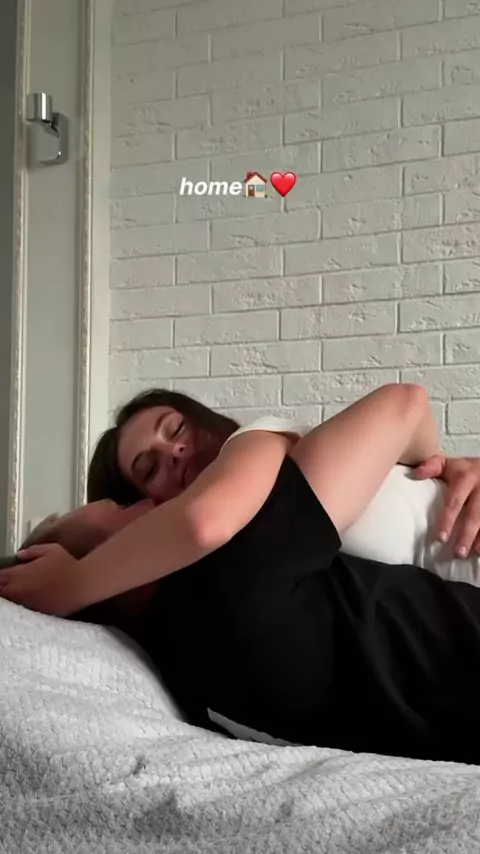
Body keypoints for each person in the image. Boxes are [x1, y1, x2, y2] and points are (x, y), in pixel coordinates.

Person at [4, 383, 480, 764]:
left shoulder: (257, 443)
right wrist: (74, 582)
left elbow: (204, 519)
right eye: (145, 476)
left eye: (176, 427)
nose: (174, 451)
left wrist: (445, 467)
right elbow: (200, 523)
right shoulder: (221, 589)